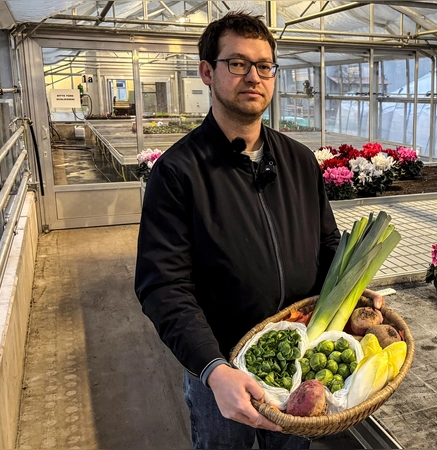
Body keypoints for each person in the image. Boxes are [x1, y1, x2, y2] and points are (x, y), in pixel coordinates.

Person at [134, 11, 383, 449]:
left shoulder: (300, 161)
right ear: (207, 72)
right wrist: (212, 368)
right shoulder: (177, 172)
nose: (254, 76)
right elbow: (162, 286)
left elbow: (326, 244)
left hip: (297, 363)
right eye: (237, 63)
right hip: (222, 369)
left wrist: (350, 288)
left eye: (265, 65)